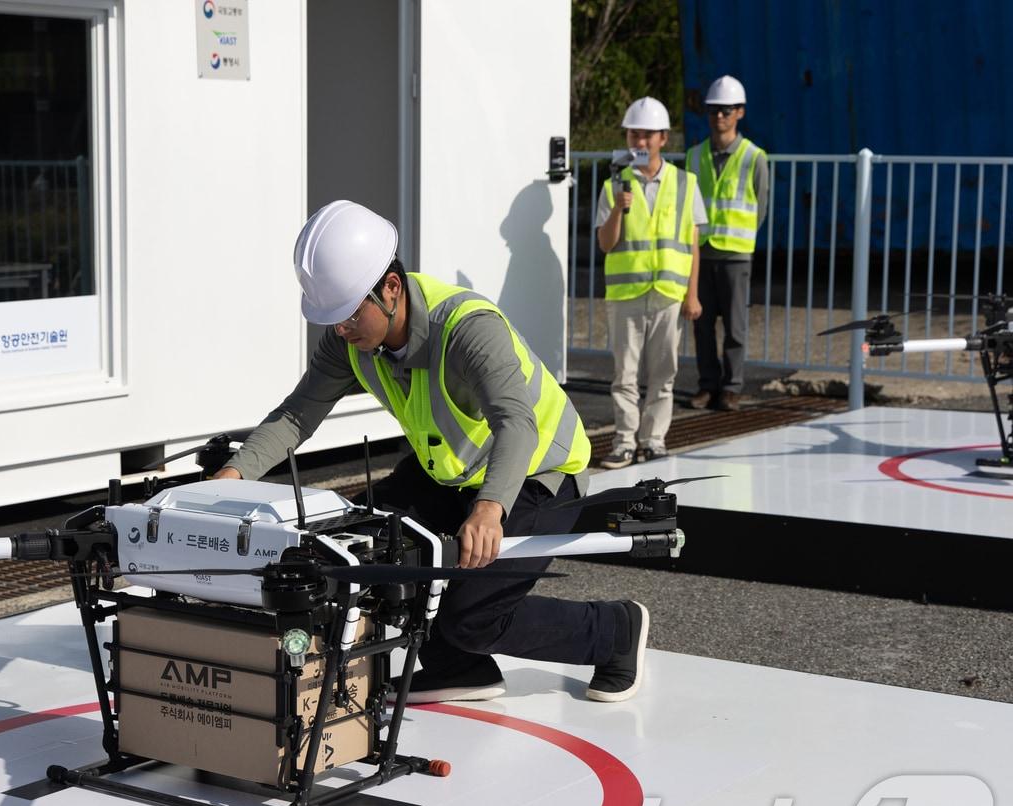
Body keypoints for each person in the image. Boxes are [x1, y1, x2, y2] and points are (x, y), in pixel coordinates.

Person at [213, 200, 649, 704]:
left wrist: (489, 509)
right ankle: (459, 666)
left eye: (350, 314)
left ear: (391, 289)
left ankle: (614, 631)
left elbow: (517, 424)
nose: (340, 330)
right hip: (453, 472)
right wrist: (231, 475)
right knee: (362, 544)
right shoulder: (350, 340)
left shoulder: (467, 327)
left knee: (473, 616)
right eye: (332, 319)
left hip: (540, 472)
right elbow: (297, 415)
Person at [595, 97, 707, 469]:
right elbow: (605, 243)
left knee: (664, 375)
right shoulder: (614, 183)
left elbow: (691, 242)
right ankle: (625, 442)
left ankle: (654, 440)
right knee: (623, 375)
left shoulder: (686, 183)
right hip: (626, 294)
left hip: (669, 294)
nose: (639, 142)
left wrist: (692, 294)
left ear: (663, 138)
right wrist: (617, 209)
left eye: (647, 135)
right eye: (633, 134)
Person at [685, 75, 769, 412]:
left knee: (735, 328)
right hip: (700, 254)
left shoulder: (753, 157)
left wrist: (741, 239)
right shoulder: (694, 156)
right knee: (702, 327)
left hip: (735, 254)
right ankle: (708, 385)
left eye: (726, 110)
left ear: (740, 112)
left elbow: (759, 207)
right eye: (713, 110)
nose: (719, 116)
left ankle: (731, 388)